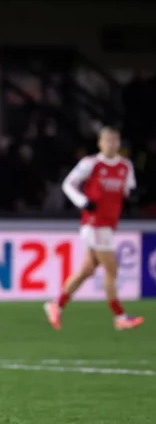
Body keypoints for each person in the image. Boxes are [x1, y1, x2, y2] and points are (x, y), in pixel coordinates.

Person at [45, 127, 144, 331]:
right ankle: (120, 316)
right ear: (100, 143)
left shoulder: (125, 166)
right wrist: (82, 201)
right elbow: (68, 184)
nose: (111, 144)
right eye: (107, 140)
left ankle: (56, 305)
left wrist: (132, 194)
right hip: (94, 224)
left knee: (86, 270)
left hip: (109, 224)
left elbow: (128, 189)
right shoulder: (91, 163)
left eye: (115, 140)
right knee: (111, 269)